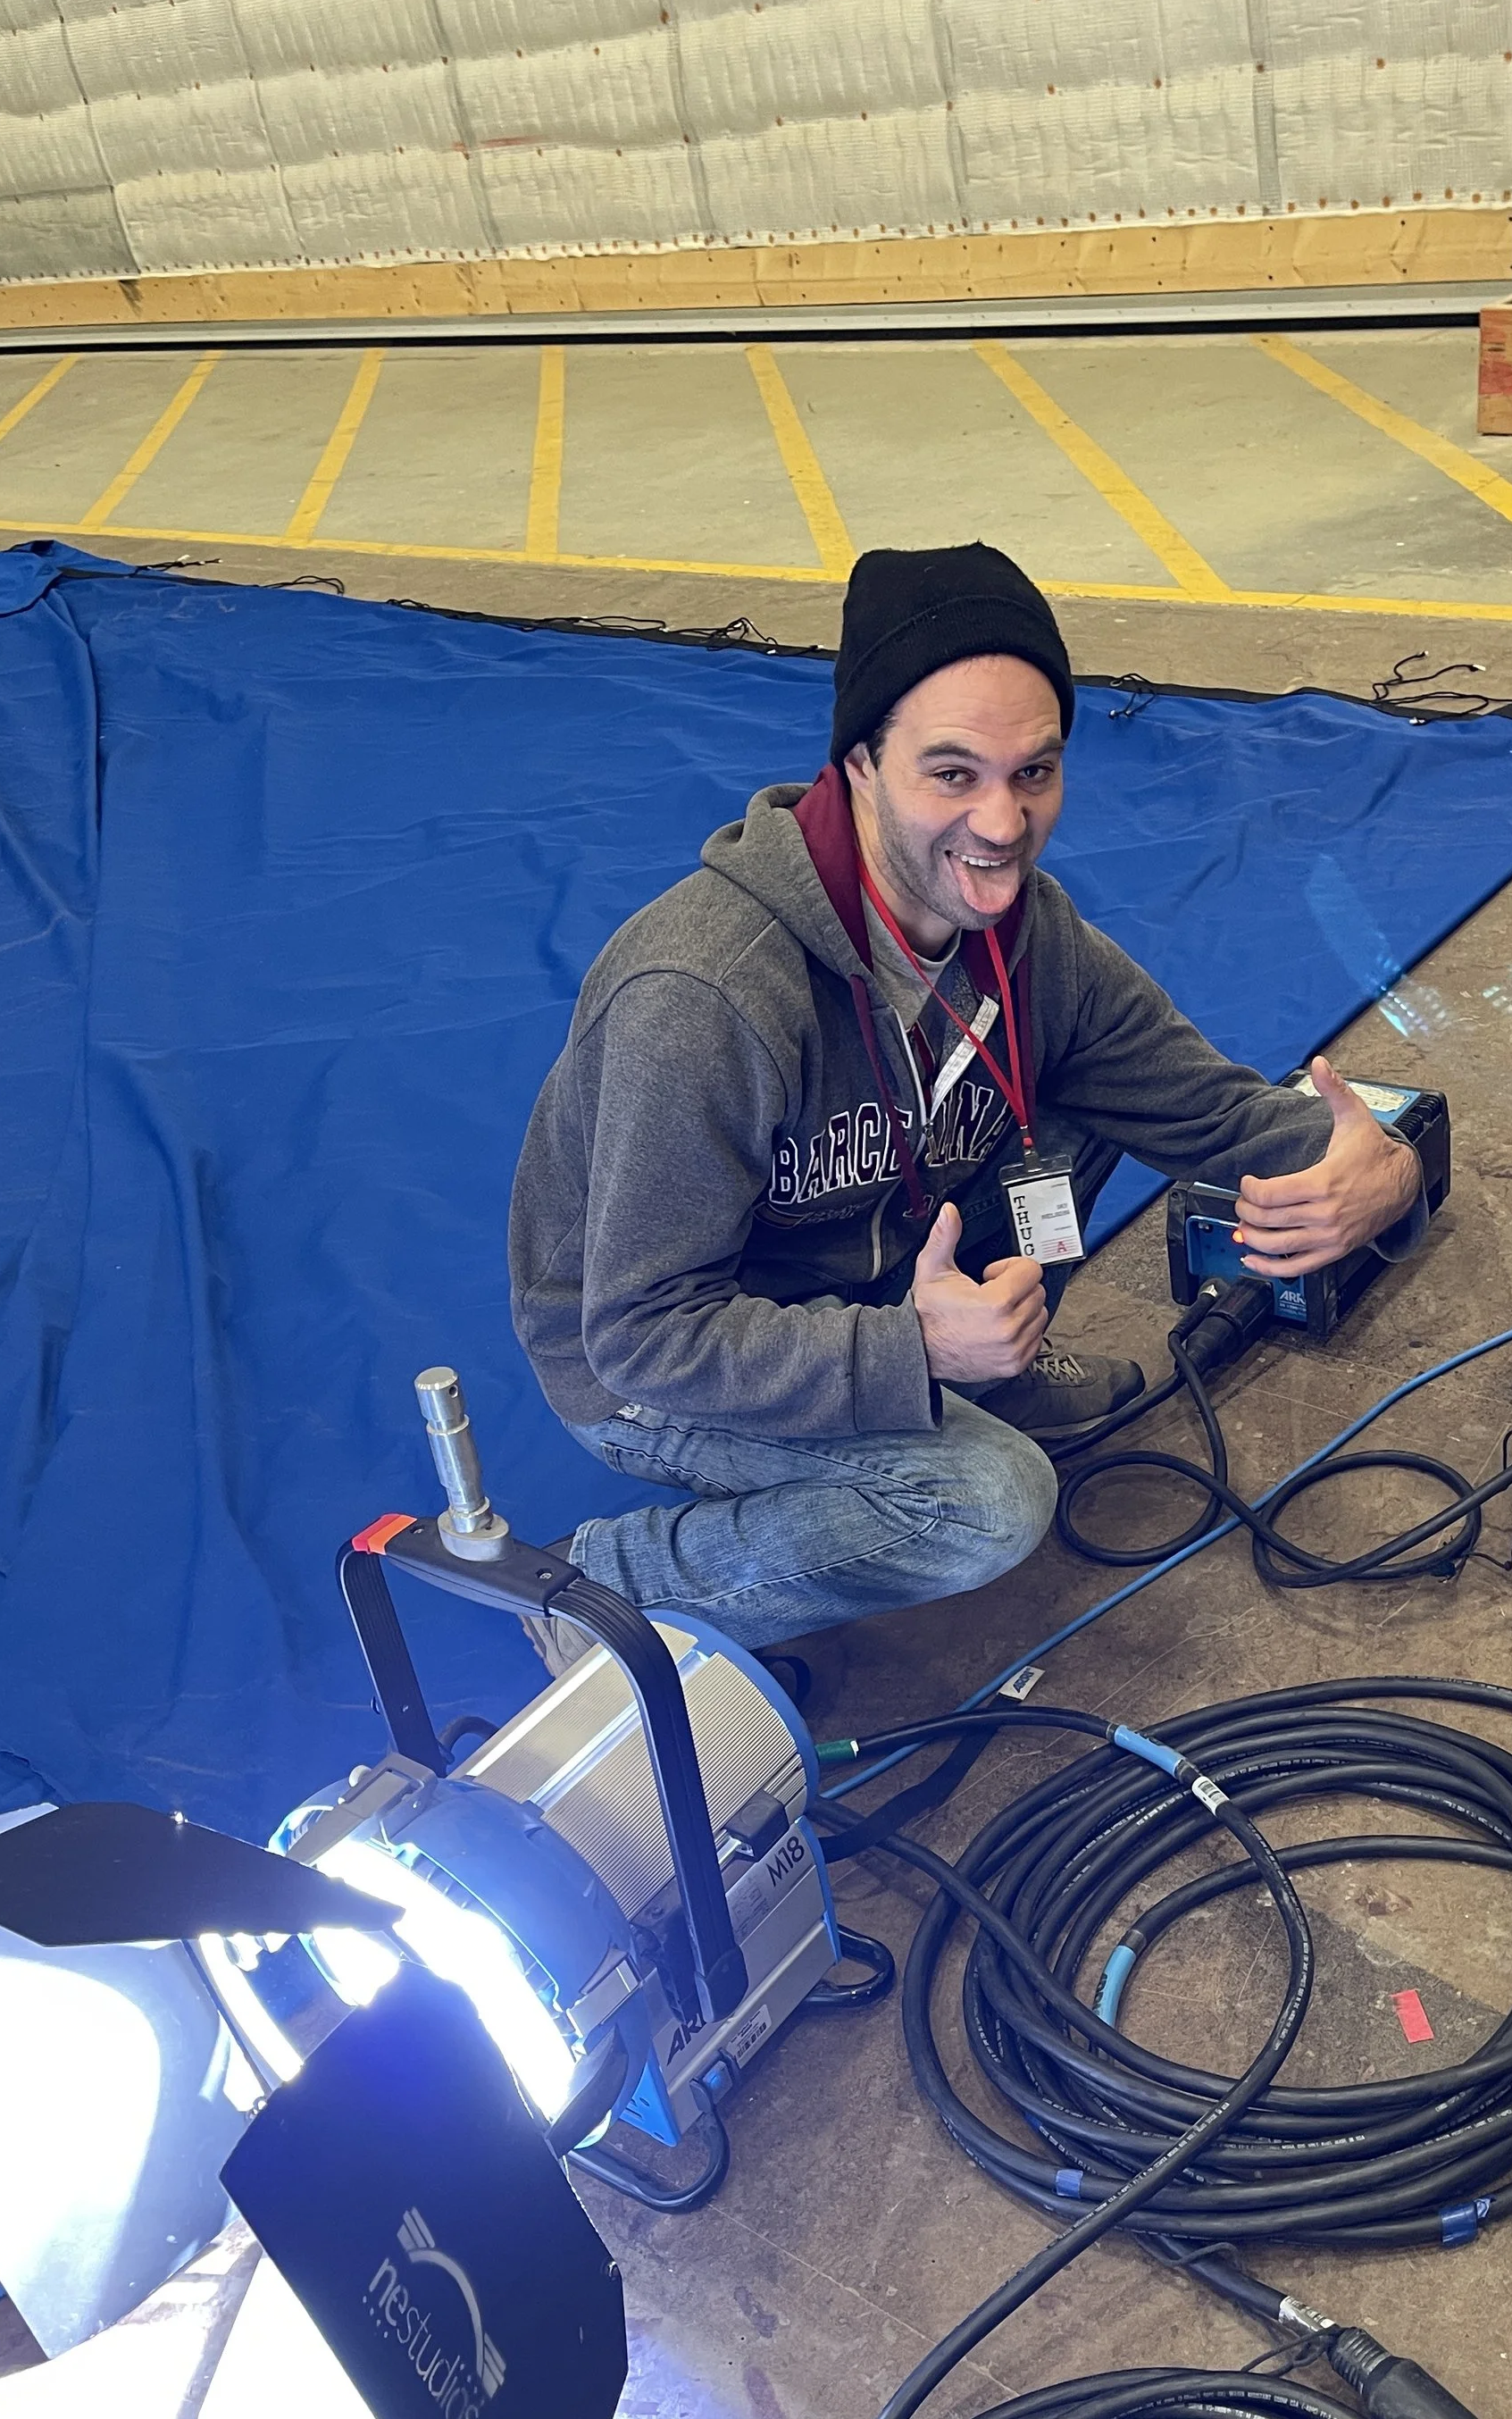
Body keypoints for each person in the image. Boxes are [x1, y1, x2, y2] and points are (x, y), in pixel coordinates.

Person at [510, 540, 1424, 1662]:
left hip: (881, 1255)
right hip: (660, 1358)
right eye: (952, 774)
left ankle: (982, 1363)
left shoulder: (1027, 935)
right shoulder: (707, 994)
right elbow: (641, 1335)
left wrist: (1383, 1167)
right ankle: (597, 1588)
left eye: (1033, 773)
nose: (1001, 824)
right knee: (985, 1505)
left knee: (1077, 1097)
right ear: (856, 764)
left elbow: (1211, 1110)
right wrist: (907, 1353)